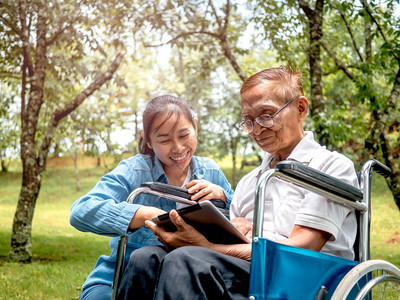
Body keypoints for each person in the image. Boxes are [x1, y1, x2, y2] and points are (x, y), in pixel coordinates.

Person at [116, 66, 359, 299]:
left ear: (301, 108)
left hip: (308, 277)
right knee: (145, 257)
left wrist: (207, 247)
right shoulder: (250, 181)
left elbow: (302, 248)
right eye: (249, 121)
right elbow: (234, 236)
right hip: (251, 267)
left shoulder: (330, 167)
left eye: (266, 115)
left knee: (187, 259)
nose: (256, 130)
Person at [70, 95, 235, 300]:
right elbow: (82, 210)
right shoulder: (135, 170)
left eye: (184, 135)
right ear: (148, 140)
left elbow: (242, 218)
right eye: (164, 140)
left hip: (185, 280)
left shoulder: (210, 172)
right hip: (121, 277)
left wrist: (223, 197)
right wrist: (142, 214)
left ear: (195, 127)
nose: (177, 148)